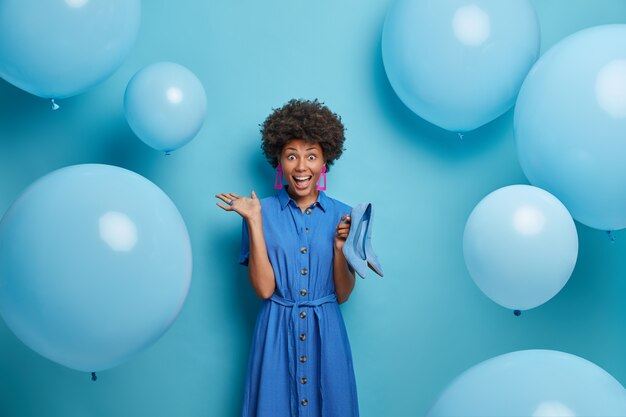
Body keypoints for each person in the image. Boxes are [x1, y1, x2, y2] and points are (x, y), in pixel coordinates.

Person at [216, 99, 359, 417]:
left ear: (325, 161)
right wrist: (254, 222)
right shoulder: (258, 211)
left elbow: (343, 294)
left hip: (327, 333)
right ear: (279, 160)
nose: (301, 167)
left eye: (311, 156)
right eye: (291, 156)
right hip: (276, 332)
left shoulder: (344, 215)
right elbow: (265, 290)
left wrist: (339, 248)